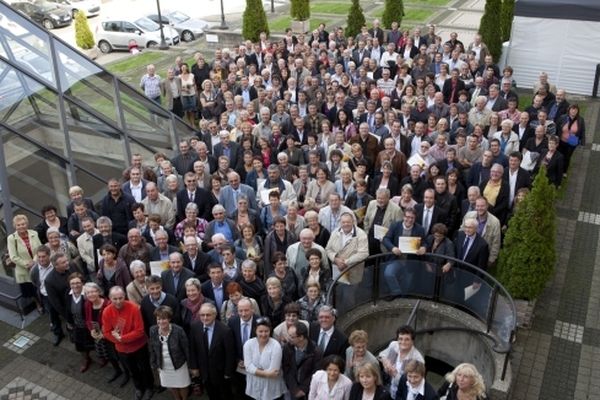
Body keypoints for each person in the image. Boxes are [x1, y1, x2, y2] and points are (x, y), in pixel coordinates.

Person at [102, 286, 155, 400]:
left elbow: (140, 331)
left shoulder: (134, 308)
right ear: (110, 298)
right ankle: (139, 388)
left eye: (120, 298)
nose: (118, 301)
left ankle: (150, 387)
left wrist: (122, 338)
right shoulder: (107, 311)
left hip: (139, 346)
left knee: (145, 368)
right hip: (122, 349)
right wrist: (119, 340)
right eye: (115, 299)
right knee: (132, 370)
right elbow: (106, 332)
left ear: (124, 296)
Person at [83, 282, 128, 386]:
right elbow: (88, 320)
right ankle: (117, 370)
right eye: (88, 292)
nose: (91, 294)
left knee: (119, 355)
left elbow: (118, 323)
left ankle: (126, 373)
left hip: (112, 335)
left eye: (93, 291)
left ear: (99, 291)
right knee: (108, 355)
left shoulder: (108, 304)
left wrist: (106, 334)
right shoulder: (87, 304)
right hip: (99, 335)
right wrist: (91, 330)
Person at [189, 303, 236, 400]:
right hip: (204, 371)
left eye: (208, 315)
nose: (205, 318)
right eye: (202, 315)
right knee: (211, 394)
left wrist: (228, 372)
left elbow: (230, 354)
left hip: (220, 372)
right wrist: (194, 367)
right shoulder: (195, 327)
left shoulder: (225, 331)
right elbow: (192, 349)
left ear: (214, 315)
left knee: (225, 394)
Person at [148, 306, 191, 400]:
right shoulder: (153, 330)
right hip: (163, 366)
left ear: (169, 319)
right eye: (158, 319)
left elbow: (186, 349)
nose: (161, 322)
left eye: (164, 318)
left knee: (183, 385)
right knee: (171, 385)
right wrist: (153, 363)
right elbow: (152, 349)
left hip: (179, 364)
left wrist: (191, 365)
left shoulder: (178, 330)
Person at [243, 317, 287, 400]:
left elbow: (274, 370)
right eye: (260, 331)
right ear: (255, 331)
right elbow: (248, 367)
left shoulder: (275, 346)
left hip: (271, 389)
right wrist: (267, 374)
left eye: (266, 331)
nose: (263, 334)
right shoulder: (248, 344)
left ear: (270, 331)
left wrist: (256, 370)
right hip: (253, 389)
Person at [7, 214, 43, 311]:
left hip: (38, 264)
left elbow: (40, 248)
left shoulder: (34, 233)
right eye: (18, 225)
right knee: (31, 290)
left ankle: (46, 302)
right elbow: (13, 256)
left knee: (42, 284)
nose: (21, 226)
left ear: (27, 224)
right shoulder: (11, 238)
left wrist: (34, 261)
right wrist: (27, 264)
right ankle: (38, 304)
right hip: (24, 269)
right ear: (15, 226)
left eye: (23, 224)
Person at [378, 325, 425, 399]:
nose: (403, 342)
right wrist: (385, 361)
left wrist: (395, 374)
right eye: (400, 339)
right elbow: (381, 355)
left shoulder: (417, 360)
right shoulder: (394, 345)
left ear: (412, 341)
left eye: (407, 339)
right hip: (388, 386)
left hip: (402, 394)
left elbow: (412, 382)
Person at [65, 272, 95, 373]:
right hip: (77, 325)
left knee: (96, 342)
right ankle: (86, 359)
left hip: (90, 326)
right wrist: (69, 323)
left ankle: (102, 358)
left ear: (82, 283)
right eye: (72, 283)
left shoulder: (88, 294)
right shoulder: (68, 294)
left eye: (78, 282)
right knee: (80, 344)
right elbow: (67, 310)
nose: (75, 285)